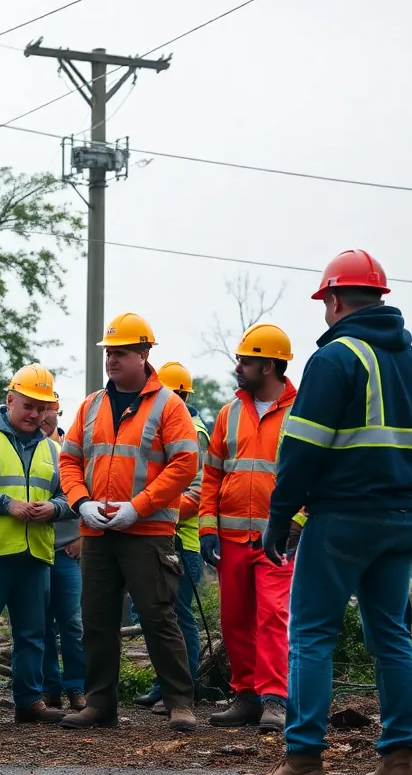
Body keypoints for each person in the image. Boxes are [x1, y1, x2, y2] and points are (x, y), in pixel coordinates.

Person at [243, 250, 412, 775]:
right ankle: (399, 762)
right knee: (392, 637)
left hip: (341, 519)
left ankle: (305, 764)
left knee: (311, 635)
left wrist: (279, 519)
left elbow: (302, 451)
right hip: (405, 519)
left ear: (333, 300)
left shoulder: (336, 359)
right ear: (380, 297)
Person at [57, 313, 200, 734]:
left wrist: (138, 506)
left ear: (144, 354)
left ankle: (179, 703)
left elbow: (185, 463)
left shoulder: (169, 406)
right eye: (109, 353)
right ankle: (99, 704)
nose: (112, 360)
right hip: (97, 531)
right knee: (97, 619)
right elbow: (69, 460)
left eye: (120, 353)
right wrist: (80, 502)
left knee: (158, 616)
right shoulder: (91, 405)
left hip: (149, 530)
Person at [197, 326, 302, 733]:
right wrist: (208, 528)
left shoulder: (301, 411)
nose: (238, 367)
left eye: (246, 360)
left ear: (269, 365)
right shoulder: (230, 412)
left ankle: (275, 699)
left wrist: (297, 522)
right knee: (235, 619)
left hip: (278, 539)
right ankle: (246, 696)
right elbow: (212, 475)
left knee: (273, 616)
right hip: (232, 538)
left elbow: (311, 475)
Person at [0, 364, 71, 725]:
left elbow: (70, 495)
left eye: (42, 408)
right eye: (28, 406)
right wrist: (8, 505)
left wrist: (53, 508)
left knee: (33, 633)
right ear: (10, 400)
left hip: (36, 553)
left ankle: (28, 700)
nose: (35, 414)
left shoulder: (54, 450)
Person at [132, 362, 209, 714]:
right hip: (159, 534)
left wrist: (155, 510)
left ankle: (183, 687)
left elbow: (197, 491)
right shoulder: (158, 423)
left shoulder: (192, 431)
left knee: (177, 616)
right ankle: (165, 683)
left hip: (181, 540)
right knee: (159, 613)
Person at [40, 391, 86, 712]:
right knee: (40, 624)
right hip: (35, 552)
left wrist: (84, 536)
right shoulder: (22, 449)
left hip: (66, 552)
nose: (44, 415)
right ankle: (49, 689)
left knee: (72, 623)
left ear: (58, 412)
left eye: (50, 409)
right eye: (39, 409)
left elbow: (87, 491)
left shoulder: (70, 448)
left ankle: (77, 688)